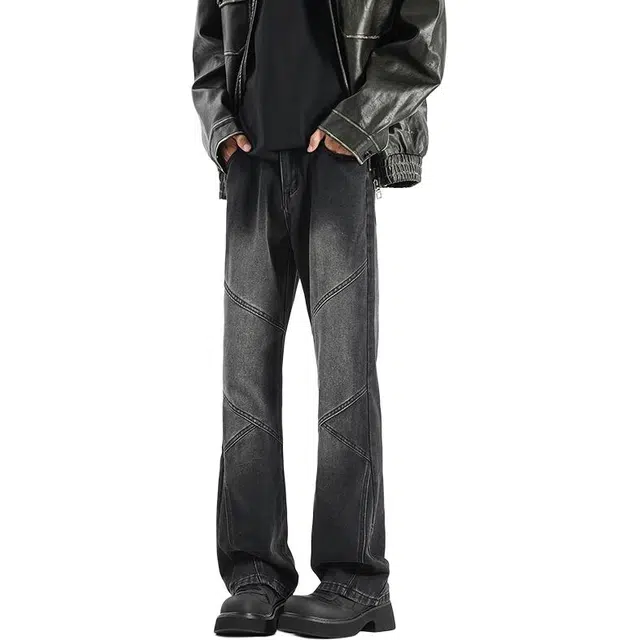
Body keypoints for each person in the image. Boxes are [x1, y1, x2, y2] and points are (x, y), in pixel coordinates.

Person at [192, 0, 446, 636]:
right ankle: (254, 573)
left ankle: (356, 578)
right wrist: (221, 128)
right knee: (244, 386)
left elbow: (420, 46)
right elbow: (209, 47)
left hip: (340, 162)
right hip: (251, 161)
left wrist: (356, 124)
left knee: (344, 383)